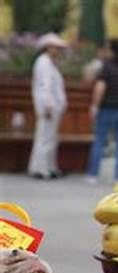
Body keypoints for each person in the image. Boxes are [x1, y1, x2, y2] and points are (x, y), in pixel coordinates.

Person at [86, 38, 118, 183]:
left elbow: (100, 87)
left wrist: (95, 105)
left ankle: (93, 174)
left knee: (99, 141)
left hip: (108, 109)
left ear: (113, 51)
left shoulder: (107, 67)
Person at [27, 33, 68, 180]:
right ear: (48, 47)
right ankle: (41, 169)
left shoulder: (50, 63)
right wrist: (48, 105)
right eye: (55, 47)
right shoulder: (44, 63)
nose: (58, 50)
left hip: (53, 107)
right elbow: (45, 86)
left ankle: (49, 167)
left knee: (50, 139)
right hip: (48, 108)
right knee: (45, 139)